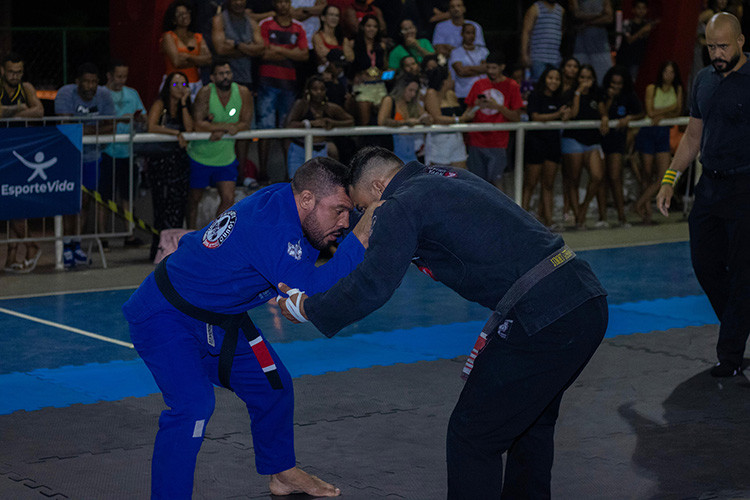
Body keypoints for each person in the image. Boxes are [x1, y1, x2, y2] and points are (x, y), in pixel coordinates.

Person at [275, 146, 608, 499]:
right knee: (529, 424)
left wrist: (310, 308)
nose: (362, 217)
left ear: (377, 187)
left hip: (543, 315)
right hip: (582, 298)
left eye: (359, 207)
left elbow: (374, 284)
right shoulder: (446, 176)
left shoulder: (399, 204)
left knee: (472, 435)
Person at [122, 156, 379, 498]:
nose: (346, 222)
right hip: (165, 315)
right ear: (306, 199)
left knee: (273, 385)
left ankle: (282, 473)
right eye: (339, 211)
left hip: (220, 316)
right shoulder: (273, 230)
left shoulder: (290, 203)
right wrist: (357, 243)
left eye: (349, 213)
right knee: (193, 406)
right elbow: (310, 296)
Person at [656, 13, 750, 378]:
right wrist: (670, 179)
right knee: (705, 264)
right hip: (709, 187)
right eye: (711, 46)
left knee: (743, 273)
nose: (716, 53)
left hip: (745, 188)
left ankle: (729, 354)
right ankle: (738, 323)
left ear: (741, 42)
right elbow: (692, 137)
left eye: (723, 46)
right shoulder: (703, 80)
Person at [55, 62, 115, 269]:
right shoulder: (65, 93)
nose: (90, 86)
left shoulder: (104, 95)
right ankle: (65, 245)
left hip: (92, 157)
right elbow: (65, 125)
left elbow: (112, 125)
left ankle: (76, 244)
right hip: (69, 157)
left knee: (86, 202)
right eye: (86, 82)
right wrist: (93, 128)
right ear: (77, 82)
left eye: (94, 82)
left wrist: (81, 129)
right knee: (70, 202)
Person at [186, 60, 253, 229]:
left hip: (226, 158)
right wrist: (226, 128)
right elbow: (198, 124)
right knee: (194, 199)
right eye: (221, 73)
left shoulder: (243, 92)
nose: (225, 77)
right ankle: (189, 235)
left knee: (229, 198)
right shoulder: (205, 92)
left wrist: (218, 129)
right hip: (200, 156)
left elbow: (245, 123)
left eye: (228, 73)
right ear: (212, 77)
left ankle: (214, 237)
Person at [256, 0, 309, 182]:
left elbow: (304, 55)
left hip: (289, 83)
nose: (283, 5)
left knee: (288, 129)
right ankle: (262, 172)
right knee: (265, 129)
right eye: (279, 1)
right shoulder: (266, 24)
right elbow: (263, 53)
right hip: (267, 82)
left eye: (286, 1)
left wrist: (277, 49)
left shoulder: (298, 27)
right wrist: (290, 51)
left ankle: (290, 175)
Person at [1, 52, 43, 273]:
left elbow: (39, 110)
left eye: (18, 72)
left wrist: (10, 114)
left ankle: (29, 247)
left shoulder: (26, 88)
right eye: (11, 72)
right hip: (2, 154)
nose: (15, 76)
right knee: (9, 206)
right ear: (2, 70)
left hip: (18, 154)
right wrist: (17, 110)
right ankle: (15, 254)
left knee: (15, 205)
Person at [146, 72, 194, 260]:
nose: (180, 88)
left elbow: (189, 129)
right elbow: (152, 126)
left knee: (178, 207)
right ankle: (158, 250)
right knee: (162, 208)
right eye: (175, 85)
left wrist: (183, 103)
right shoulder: (160, 103)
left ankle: (174, 249)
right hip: (161, 163)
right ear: (167, 87)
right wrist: (174, 133)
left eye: (184, 84)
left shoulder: (185, 105)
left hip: (179, 162)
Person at [101, 59, 148, 249]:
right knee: (103, 197)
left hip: (127, 153)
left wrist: (140, 119)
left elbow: (143, 116)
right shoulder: (102, 94)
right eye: (118, 76)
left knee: (128, 197)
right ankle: (102, 237)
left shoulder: (132, 93)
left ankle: (129, 235)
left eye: (124, 76)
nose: (122, 80)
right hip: (105, 152)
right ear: (109, 75)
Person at [464, 52, 523, 190]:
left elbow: (516, 117)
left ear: (502, 67)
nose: (491, 72)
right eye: (488, 68)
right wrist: (477, 105)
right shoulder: (478, 84)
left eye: (494, 68)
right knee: (476, 185)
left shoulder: (512, 85)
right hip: (476, 140)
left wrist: (498, 107)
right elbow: (467, 115)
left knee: (497, 183)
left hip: (498, 142)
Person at [634, 60, 683, 225]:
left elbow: (679, 110)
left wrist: (661, 115)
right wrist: (669, 110)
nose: (668, 76)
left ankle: (639, 203)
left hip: (663, 132)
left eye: (672, 72)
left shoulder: (678, 89)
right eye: (665, 72)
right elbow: (650, 111)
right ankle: (646, 213)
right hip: (648, 132)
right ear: (661, 73)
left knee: (663, 176)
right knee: (646, 174)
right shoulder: (651, 88)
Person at [522, 66, 570, 229]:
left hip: (553, 144)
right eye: (551, 78)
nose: (554, 81)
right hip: (536, 143)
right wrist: (557, 115)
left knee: (548, 184)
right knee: (530, 183)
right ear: (544, 79)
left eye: (557, 78)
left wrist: (565, 114)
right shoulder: (536, 96)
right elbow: (535, 116)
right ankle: (521, 220)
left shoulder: (560, 98)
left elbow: (566, 115)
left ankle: (549, 221)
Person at [560, 64, 606, 228]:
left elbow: (603, 112)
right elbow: (574, 114)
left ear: (593, 79)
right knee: (574, 178)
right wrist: (578, 92)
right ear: (577, 79)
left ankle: (583, 208)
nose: (585, 81)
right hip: (573, 139)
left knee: (597, 176)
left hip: (592, 141)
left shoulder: (597, 94)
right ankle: (578, 215)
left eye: (588, 78)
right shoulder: (569, 94)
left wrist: (605, 117)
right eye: (582, 77)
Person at [598, 65, 643, 227]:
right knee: (600, 179)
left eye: (619, 83)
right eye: (613, 83)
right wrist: (607, 106)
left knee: (616, 177)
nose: (616, 86)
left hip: (617, 141)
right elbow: (600, 109)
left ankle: (622, 217)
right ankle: (602, 218)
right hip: (600, 141)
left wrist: (629, 118)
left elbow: (641, 112)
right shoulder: (602, 94)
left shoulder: (629, 96)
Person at [285, 75, 355, 176]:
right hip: (300, 148)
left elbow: (351, 120)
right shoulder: (301, 105)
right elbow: (289, 125)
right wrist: (310, 124)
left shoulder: (330, 108)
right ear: (308, 91)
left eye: (322, 89)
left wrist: (333, 123)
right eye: (315, 89)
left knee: (326, 182)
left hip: (322, 147)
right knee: (295, 183)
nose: (319, 92)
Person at [422, 64, 475, 169]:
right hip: (440, 140)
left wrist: (473, 108)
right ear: (444, 81)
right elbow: (437, 118)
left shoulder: (451, 94)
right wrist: (459, 119)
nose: (453, 80)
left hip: (456, 138)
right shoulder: (431, 93)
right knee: (440, 176)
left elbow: (461, 116)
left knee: (461, 175)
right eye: (451, 77)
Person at [160, 0, 212, 101]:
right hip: (174, 83)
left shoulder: (198, 37)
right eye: (179, 14)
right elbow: (177, 62)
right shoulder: (169, 36)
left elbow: (208, 60)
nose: (184, 16)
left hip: (195, 83)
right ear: (173, 19)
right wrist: (198, 60)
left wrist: (188, 57)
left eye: (186, 13)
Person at [377, 74, 432, 163]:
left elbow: (427, 118)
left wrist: (426, 119)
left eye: (415, 91)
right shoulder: (389, 100)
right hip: (392, 151)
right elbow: (382, 121)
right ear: (401, 88)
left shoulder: (413, 103)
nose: (413, 94)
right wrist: (405, 123)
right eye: (410, 90)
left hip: (410, 150)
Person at [350, 14, 387, 126]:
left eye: (375, 26)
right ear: (362, 27)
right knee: (364, 123)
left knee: (383, 122)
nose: (372, 29)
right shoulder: (354, 44)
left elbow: (386, 68)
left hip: (379, 85)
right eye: (368, 26)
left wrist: (385, 76)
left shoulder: (382, 46)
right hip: (362, 86)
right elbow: (350, 67)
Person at [569, 0, 613, 85]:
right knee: (577, 79)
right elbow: (576, 14)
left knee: (604, 79)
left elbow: (609, 18)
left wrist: (588, 23)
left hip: (600, 45)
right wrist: (600, 15)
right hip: (581, 44)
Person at [520, 0, 565, 81]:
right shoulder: (535, 8)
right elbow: (526, 32)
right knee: (538, 84)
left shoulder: (561, 10)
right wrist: (524, 54)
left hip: (554, 57)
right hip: (538, 57)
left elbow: (560, 30)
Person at [616, 0, 658, 84]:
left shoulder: (647, 24)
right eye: (638, 8)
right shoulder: (627, 23)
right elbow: (629, 40)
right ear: (633, 10)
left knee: (631, 83)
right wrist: (642, 31)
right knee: (619, 81)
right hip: (623, 58)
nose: (641, 10)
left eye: (643, 8)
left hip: (636, 59)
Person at [448, 22, 488, 108]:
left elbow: (486, 68)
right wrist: (479, 69)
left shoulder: (483, 51)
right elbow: (461, 72)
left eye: (473, 33)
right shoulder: (456, 52)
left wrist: (469, 68)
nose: (471, 36)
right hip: (464, 93)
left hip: (482, 91)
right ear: (462, 34)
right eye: (468, 33)